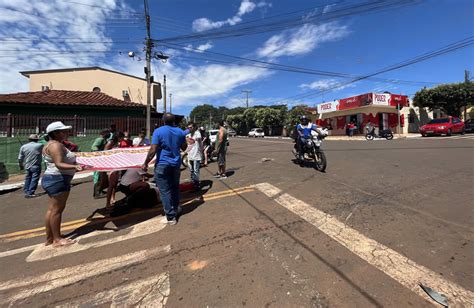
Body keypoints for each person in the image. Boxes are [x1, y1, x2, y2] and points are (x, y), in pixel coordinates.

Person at [41, 121, 85, 247]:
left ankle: (50, 238)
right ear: (55, 133)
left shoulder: (50, 144)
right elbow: (59, 163)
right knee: (57, 210)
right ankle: (57, 239)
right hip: (58, 179)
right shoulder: (56, 146)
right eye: (63, 131)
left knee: (51, 210)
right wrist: (75, 166)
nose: (66, 133)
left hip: (52, 178)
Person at [142, 113, 189, 225]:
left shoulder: (158, 131)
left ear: (163, 121)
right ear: (173, 121)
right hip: (176, 164)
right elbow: (184, 147)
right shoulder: (180, 131)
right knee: (175, 187)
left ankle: (171, 217)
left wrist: (145, 163)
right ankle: (176, 208)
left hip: (162, 165)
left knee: (164, 191)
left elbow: (153, 149)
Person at [18, 134, 43, 198]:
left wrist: (21, 166)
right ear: (37, 139)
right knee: (34, 179)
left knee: (28, 178)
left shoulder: (23, 147)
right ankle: (31, 192)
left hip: (27, 165)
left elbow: (20, 158)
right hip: (36, 165)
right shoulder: (39, 145)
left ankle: (26, 191)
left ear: (29, 139)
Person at [91, 130, 110, 199]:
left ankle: (99, 191)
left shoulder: (104, 140)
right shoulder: (100, 139)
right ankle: (97, 193)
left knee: (100, 176)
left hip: (99, 159)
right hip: (97, 160)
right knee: (98, 176)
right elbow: (94, 147)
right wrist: (100, 154)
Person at [187, 122, 203, 190]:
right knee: (191, 170)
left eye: (191, 127)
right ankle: (193, 182)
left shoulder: (197, 133)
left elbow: (200, 141)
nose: (189, 128)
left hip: (196, 155)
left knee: (196, 170)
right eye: (188, 127)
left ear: (194, 127)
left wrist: (201, 152)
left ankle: (196, 185)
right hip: (190, 155)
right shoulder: (188, 134)